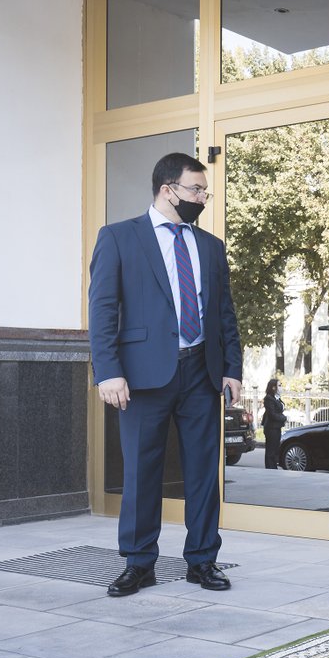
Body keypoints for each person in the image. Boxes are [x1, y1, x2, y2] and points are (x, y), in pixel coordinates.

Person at [89, 152, 243, 597]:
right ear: (167, 189)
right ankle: (139, 563)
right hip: (141, 377)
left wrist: (231, 367)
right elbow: (102, 311)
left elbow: (224, 314)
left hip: (201, 372)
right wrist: (108, 372)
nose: (202, 198)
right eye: (196, 190)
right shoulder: (119, 238)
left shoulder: (210, 246)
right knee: (141, 472)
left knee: (202, 473)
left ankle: (202, 561)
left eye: (204, 191)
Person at [261, 378, 286, 469]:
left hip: (276, 427)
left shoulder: (277, 398)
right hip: (271, 427)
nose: (281, 387)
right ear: (273, 388)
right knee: (271, 449)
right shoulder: (269, 398)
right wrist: (284, 418)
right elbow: (272, 414)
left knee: (275, 448)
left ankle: (273, 466)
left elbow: (278, 411)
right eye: (279, 385)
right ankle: (270, 467)